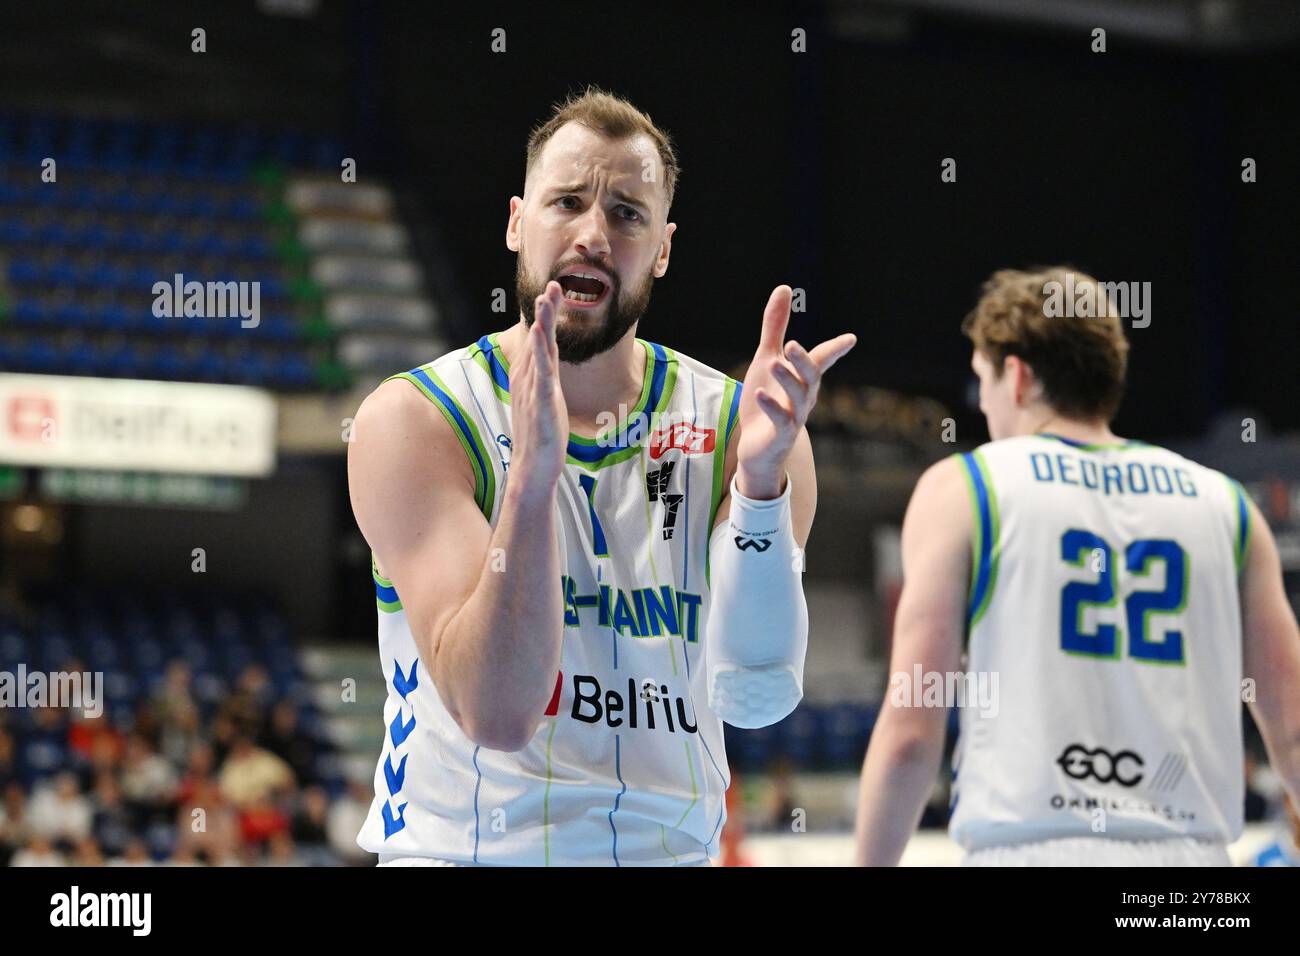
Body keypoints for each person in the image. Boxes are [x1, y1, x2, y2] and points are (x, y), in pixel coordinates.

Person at [347, 87, 854, 866]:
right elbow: (498, 711)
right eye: (567, 202)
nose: (591, 233)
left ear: (663, 248)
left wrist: (759, 492)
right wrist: (532, 483)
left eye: (626, 212)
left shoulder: (743, 427)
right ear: (518, 222)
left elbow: (756, 694)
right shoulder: (420, 421)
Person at [855, 267, 1300, 866]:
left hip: (1030, 849)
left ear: (1015, 376)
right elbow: (1293, 730)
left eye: (981, 381)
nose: (982, 402)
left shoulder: (969, 487)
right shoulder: (1226, 504)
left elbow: (911, 733)